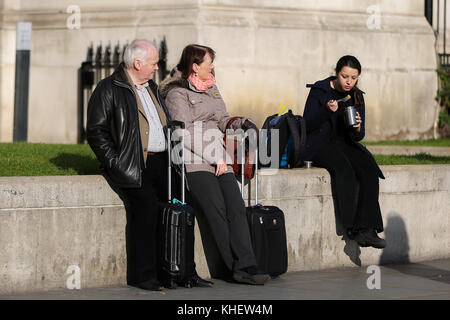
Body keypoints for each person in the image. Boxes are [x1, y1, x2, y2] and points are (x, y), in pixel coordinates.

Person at [86, 39, 211, 291]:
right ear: (137, 63)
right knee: (145, 210)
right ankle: (144, 275)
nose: (156, 68)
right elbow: (96, 130)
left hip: (164, 161)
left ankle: (185, 271)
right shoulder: (109, 88)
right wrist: (115, 162)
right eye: (153, 63)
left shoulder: (151, 87)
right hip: (133, 163)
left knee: (183, 208)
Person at [159, 44, 270, 285]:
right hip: (195, 160)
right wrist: (214, 157)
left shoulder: (212, 87)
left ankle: (247, 264)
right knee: (217, 211)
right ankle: (234, 269)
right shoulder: (177, 93)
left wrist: (239, 122)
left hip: (220, 158)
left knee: (236, 207)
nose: (213, 67)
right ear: (195, 67)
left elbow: (221, 119)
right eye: (209, 63)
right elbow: (183, 133)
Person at [302, 55, 386, 249]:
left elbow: (358, 136)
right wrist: (326, 111)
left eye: (353, 78)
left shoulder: (357, 96)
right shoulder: (320, 90)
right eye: (344, 76)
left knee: (368, 168)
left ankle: (368, 230)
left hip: (344, 143)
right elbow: (307, 124)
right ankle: (352, 228)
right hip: (319, 144)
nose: (349, 82)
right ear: (337, 73)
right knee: (344, 169)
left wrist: (357, 129)